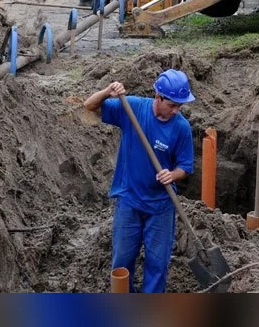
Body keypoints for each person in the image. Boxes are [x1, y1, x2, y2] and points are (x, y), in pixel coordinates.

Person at [83, 69, 196, 293]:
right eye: (172, 105)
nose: (176, 110)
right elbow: (89, 106)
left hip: (161, 205)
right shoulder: (132, 108)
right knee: (122, 262)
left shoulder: (181, 127)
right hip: (130, 200)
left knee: (157, 264)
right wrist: (108, 90)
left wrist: (172, 175)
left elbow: (185, 166)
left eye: (180, 106)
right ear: (158, 97)